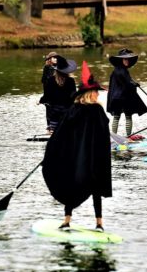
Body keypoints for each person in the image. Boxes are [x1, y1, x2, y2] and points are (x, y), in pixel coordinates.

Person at [42, 61, 112, 232]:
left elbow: (60, 133)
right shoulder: (89, 111)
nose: (98, 95)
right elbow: (62, 133)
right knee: (93, 187)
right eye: (96, 92)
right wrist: (52, 150)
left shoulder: (77, 110)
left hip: (79, 157)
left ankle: (73, 221)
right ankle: (96, 223)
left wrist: (53, 148)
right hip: (93, 157)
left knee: (72, 183)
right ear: (90, 93)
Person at [106, 48, 147, 136]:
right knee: (128, 116)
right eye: (125, 59)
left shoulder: (116, 70)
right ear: (120, 60)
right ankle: (128, 136)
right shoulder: (122, 71)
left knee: (116, 117)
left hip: (116, 98)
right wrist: (135, 85)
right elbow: (127, 84)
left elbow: (125, 82)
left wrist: (133, 83)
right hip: (124, 98)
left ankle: (114, 136)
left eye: (128, 59)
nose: (127, 61)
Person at [38, 54, 77, 133]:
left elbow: (47, 95)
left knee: (54, 133)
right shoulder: (71, 81)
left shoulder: (50, 80)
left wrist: (41, 101)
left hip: (55, 112)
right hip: (67, 111)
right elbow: (73, 96)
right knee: (67, 132)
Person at [41, 52, 58, 129]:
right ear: (49, 59)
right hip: (49, 95)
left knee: (53, 112)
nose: (55, 59)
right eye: (53, 58)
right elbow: (45, 82)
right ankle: (50, 128)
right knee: (50, 112)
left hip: (54, 95)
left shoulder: (57, 67)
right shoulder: (48, 68)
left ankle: (52, 128)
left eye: (56, 57)